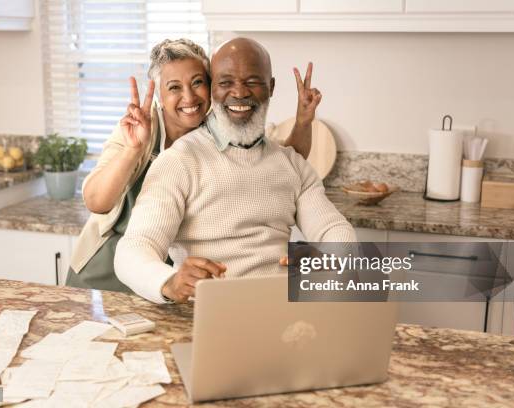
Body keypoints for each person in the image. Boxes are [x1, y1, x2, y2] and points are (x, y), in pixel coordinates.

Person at [66, 38, 322, 292]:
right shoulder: (139, 129)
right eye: (174, 87)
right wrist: (134, 149)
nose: (189, 97)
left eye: (197, 83)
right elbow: (97, 202)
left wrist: (302, 122)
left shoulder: (223, 127)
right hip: (106, 268)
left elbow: (283, 165)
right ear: (159, 94)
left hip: (167, 271)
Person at [114, 38, 356, 304]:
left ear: (271, 87)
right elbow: (132, 250)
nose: (240, 93)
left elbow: (335, 229)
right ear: (212, 89)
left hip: (283, 314)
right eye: (226, 82)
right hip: (209, 316)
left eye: (252, 81)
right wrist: (168, 282)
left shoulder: (291, 164)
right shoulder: (179, 161)